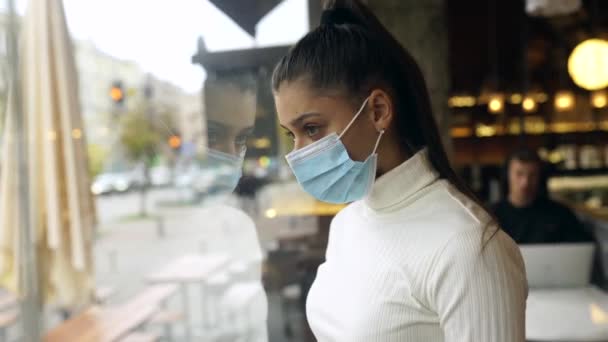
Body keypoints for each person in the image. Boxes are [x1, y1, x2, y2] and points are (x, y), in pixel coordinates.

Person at [271, 0, 527, 341]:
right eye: (292, 134)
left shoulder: (468, 246)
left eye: (313, 128)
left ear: (377, 110)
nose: (299, 153)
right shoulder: (347, 223)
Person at [494, 149, 594, 244]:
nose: (525, 182)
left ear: (540, 177)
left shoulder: (560, 214)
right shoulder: (492, 216)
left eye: (532, 175)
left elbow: (581, 248)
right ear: (507, 175)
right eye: (519, 174)